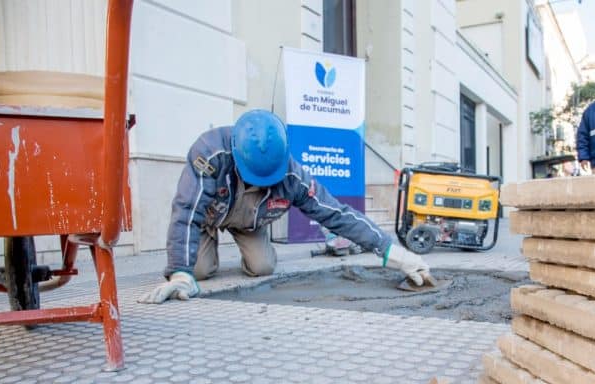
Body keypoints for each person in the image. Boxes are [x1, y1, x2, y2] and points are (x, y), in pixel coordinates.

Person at [140, 109, 434, 303]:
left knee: (263, 266)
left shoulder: (293, 177)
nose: (267, 183)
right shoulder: (210, 154)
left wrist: (392, 253)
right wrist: (180, 271)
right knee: (199, 272)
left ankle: (252, 245)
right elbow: (186, 213)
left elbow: (337, 215)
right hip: (209, 216)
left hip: (250, 220)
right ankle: (204, 252)